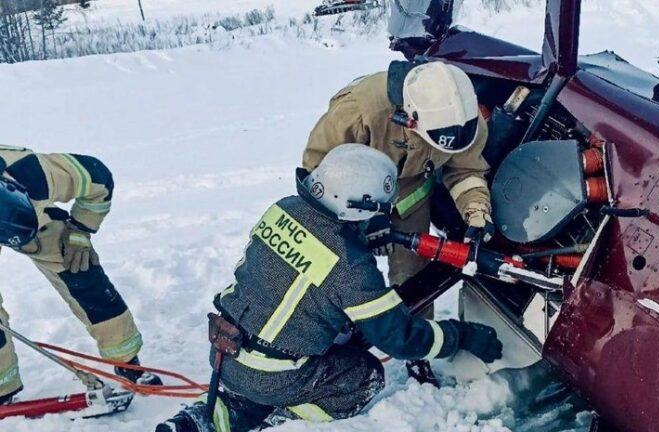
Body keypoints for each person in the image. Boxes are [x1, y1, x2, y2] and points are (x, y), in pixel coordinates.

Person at [156, 144, 503, 432]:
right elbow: (399, 338)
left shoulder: (283, 209)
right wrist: (461, 336)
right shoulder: (350, 269)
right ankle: (281, 421)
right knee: (363, 374)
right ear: (358, 208)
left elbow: (311, 256)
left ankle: (200, 418)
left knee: (257, 378)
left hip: (226, 353)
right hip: (275, 373)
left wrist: (356, 236)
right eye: (377, 213)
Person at [303, 61, 494, 384]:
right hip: (347, 193)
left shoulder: (465, 121)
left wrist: (476, 212)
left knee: (413, 275)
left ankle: (417, 354)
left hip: (410, 192)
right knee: (341, 273)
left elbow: (465, 170)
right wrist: (369, 217)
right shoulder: (359, 111)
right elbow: (318, 170)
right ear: (409, 118)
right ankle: (326, 343)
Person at [0, 145, 161, 405]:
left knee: (82, 274)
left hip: (40, 222)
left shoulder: (35, 172)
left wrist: (79, 230)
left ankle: (127, 361)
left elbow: (99, 178)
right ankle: (2, 387)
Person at [387, 0, 460, 60]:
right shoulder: (435, 4)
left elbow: (449, 20)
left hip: (440, 43)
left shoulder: (449, 5)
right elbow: (427, 18)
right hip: (430, 42)